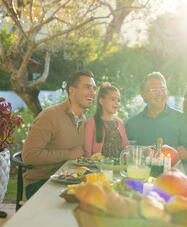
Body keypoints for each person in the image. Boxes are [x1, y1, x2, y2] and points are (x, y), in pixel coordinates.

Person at [22, 70, 96, 199]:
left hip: (68, 180)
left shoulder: (82, 119)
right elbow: (29, 155)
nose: (93, 93)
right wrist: (68, 154)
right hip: (41, 184)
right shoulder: (50, 116)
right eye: (87, 87)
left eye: (94, 89)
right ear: (72, 90)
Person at [125, 72, 187, 160]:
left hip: (172, 172)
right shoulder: (131, 124)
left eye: (162, 89)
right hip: (141, 172)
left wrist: (186, 154)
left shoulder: (182, 120)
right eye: (154, 90)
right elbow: (124, 155)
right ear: (143, 95)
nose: (159, 93)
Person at [84, 82, 129, 158]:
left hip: (118, 167)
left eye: (118, 100)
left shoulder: (120, 123)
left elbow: (126, 147)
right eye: (113, 99)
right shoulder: (92, 123)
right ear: (101, 101)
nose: (117, 103)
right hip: (99, 168)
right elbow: (87, 150)